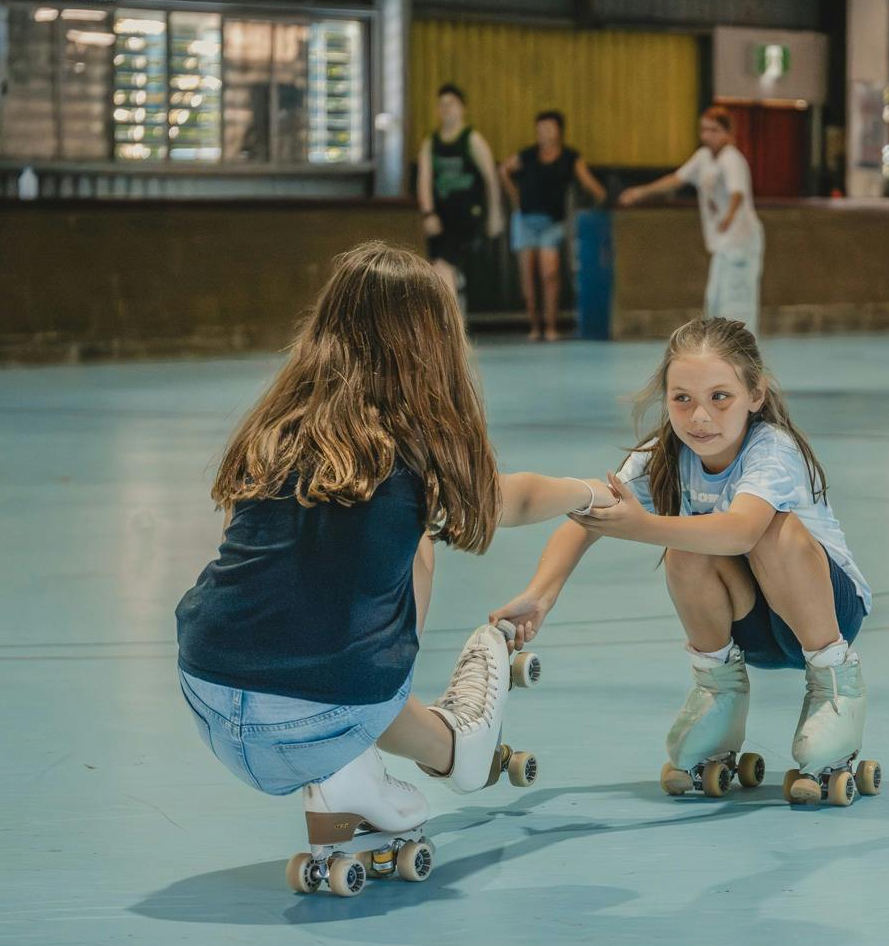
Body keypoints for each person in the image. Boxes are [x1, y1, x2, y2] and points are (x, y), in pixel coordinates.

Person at [174, 244, 618, 891]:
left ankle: (351, 770)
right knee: (418, 542)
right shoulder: (413, 444)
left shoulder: (275, 426)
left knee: (304, 581)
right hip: (327, 714)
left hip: (207, 693)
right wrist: (589, 491)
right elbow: (507, 498)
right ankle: (433, 749)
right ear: (431, 345)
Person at [489, 316, 879, 805]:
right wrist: (540, 595)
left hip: (828, 613)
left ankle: (834, 682)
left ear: (755, 395)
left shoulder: (772, 451)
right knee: (687, 549)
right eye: (682, 399)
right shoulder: (665, 457)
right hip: (752, 627)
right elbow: (583, 518)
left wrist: (642, 526)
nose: (700, 417)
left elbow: (741, 530)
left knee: (769, 531)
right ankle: (719, 691)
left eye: (721, 397)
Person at [617, 107, 765, 328]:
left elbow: (738, 193)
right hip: (722, 245)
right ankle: (721, 356)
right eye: (704, 130)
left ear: (728, 133)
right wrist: (640, 192)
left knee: (736, 305)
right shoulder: (703, 158)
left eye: (714, 130)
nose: (707, 135)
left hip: (740, 242)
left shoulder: (732, 159)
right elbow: (676, 179)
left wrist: (728, 217)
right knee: (715, 303)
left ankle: (741, 358)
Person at [499, 110, 608, 341]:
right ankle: (534, 326)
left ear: (559, 131)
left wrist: (603, 200)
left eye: (549, 128)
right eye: (540, 129)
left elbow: (591, 186)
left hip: (553, 224)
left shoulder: (570, 158)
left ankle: (550, 326)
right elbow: (504, 170)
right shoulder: (527, 156)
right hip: (524, 221)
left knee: (549, 271)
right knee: (527, 275)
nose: (544, 133)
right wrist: (515, 197)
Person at [416, 84, 504, 313]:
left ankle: (450, 324)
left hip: (467, 213)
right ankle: (456, 298)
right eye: (441, 105)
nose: (445, 109)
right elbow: (424, 180)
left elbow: (491, 178)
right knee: (439, 268)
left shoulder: (472, 139)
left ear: (462, 108)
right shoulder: (431, 142)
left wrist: (495, 213)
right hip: (442, 215)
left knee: (443, 266)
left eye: (451, 104)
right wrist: (428, 214)